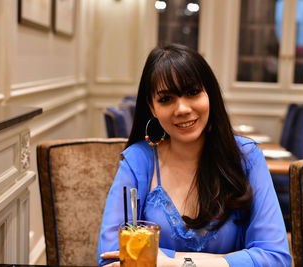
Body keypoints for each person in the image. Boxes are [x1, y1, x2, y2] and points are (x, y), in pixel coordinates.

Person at [97, 44, 291, 266]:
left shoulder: (246, 156)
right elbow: (110, 257)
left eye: (192, 92)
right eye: (166, 99)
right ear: (152, 107)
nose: (182, 108)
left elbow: (276, 258)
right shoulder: (137, 161)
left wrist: (171, 262)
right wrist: (229, 260)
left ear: (210, 94)